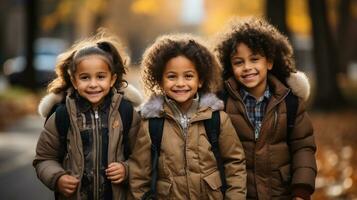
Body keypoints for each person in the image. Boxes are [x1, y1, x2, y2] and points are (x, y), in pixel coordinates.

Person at [128, 34, 246, 200]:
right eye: (171, 76)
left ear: (200, 80)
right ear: (160, 81)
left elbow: (235, 164)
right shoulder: (152, 124)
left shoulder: (217, 119)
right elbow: (139, 175)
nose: (180, 83)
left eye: (188, 76)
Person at [214, 17, 317, 200]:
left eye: (254, 59)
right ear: (230, 66)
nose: (247, 67)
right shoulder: (223, 102)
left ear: (269, 62)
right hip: (238, 194)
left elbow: (303, 147)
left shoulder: (290, 101)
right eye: (239, 62)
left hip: (281, 193)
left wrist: (301, 190)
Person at [33, 30, 142, 200]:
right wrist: (58, 177)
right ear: (74, 81)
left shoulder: (126, 112)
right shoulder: (62, 115)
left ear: (112, 80)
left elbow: (142, 156)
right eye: (85, 77)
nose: (93, 84)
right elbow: (44, 158)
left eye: (100, 77)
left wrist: (127, 169)